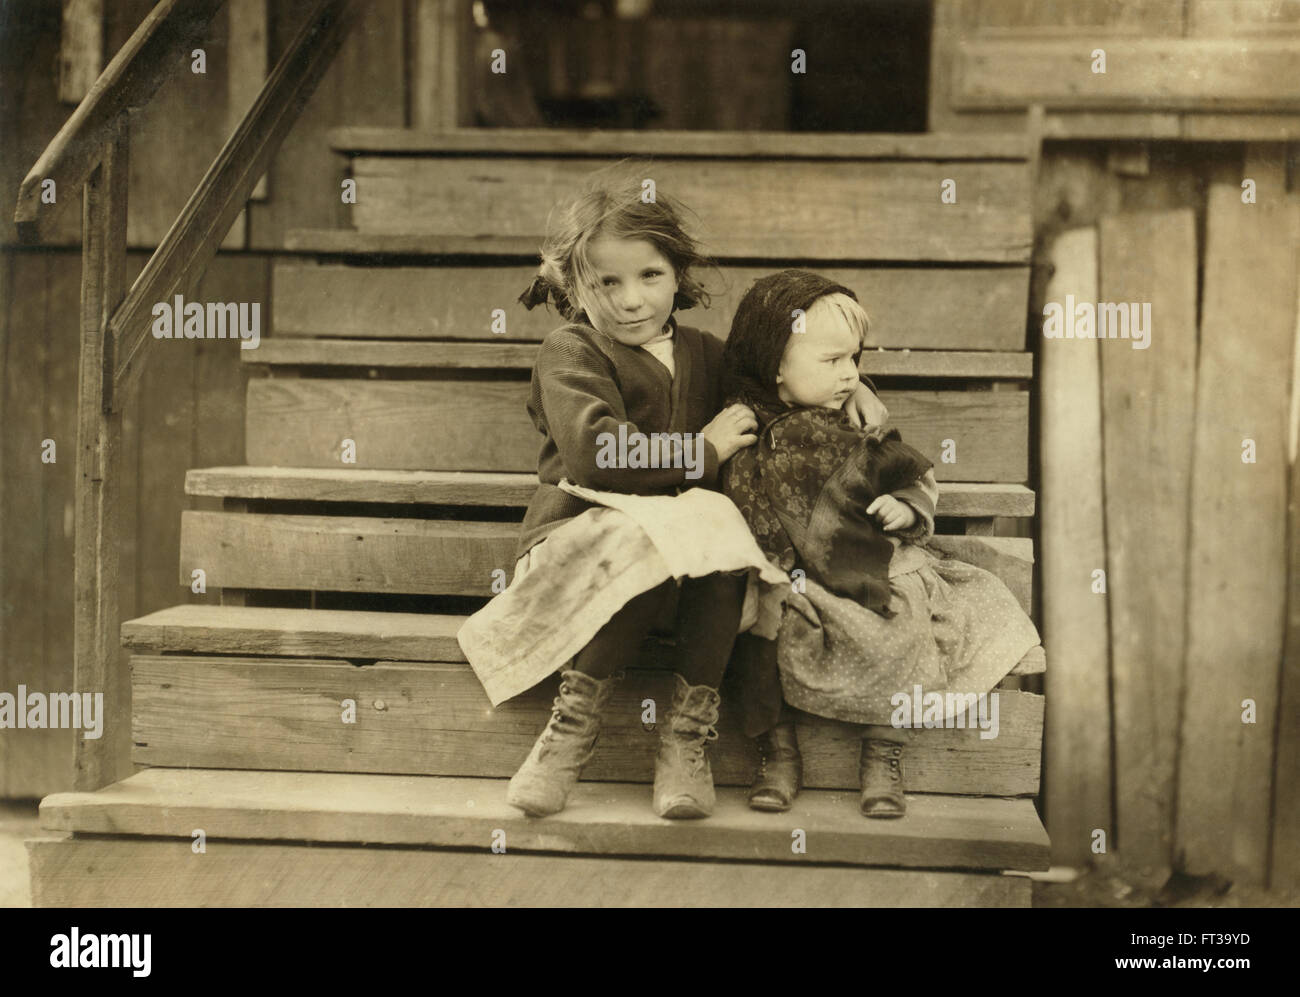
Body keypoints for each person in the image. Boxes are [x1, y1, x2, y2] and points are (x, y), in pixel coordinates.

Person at [456, 173, 888, 820]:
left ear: (677, 274)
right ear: (575, 286)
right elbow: (596, 453)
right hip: (582, 547)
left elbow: (782, 373)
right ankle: (569, 732)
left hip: (685, 567)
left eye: (650, 276)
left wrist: (850, 385)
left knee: (722, 537)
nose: (632, 300)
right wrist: (702, 450)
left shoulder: (706, 354)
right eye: (608, 282)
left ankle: (685, 738)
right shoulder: (571, 351)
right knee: (672, 530)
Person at [720, 270, 1042, 818]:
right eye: (832, 362)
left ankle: (882, 753)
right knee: (755, 629)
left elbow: (909, 474)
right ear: (774, 363)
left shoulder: (855, 426)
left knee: (902, 620)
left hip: (869, 567)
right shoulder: (744, 425)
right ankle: (777, 754)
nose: (848, 375)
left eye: (855, 360)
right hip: (787, 572)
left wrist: (907, 505)